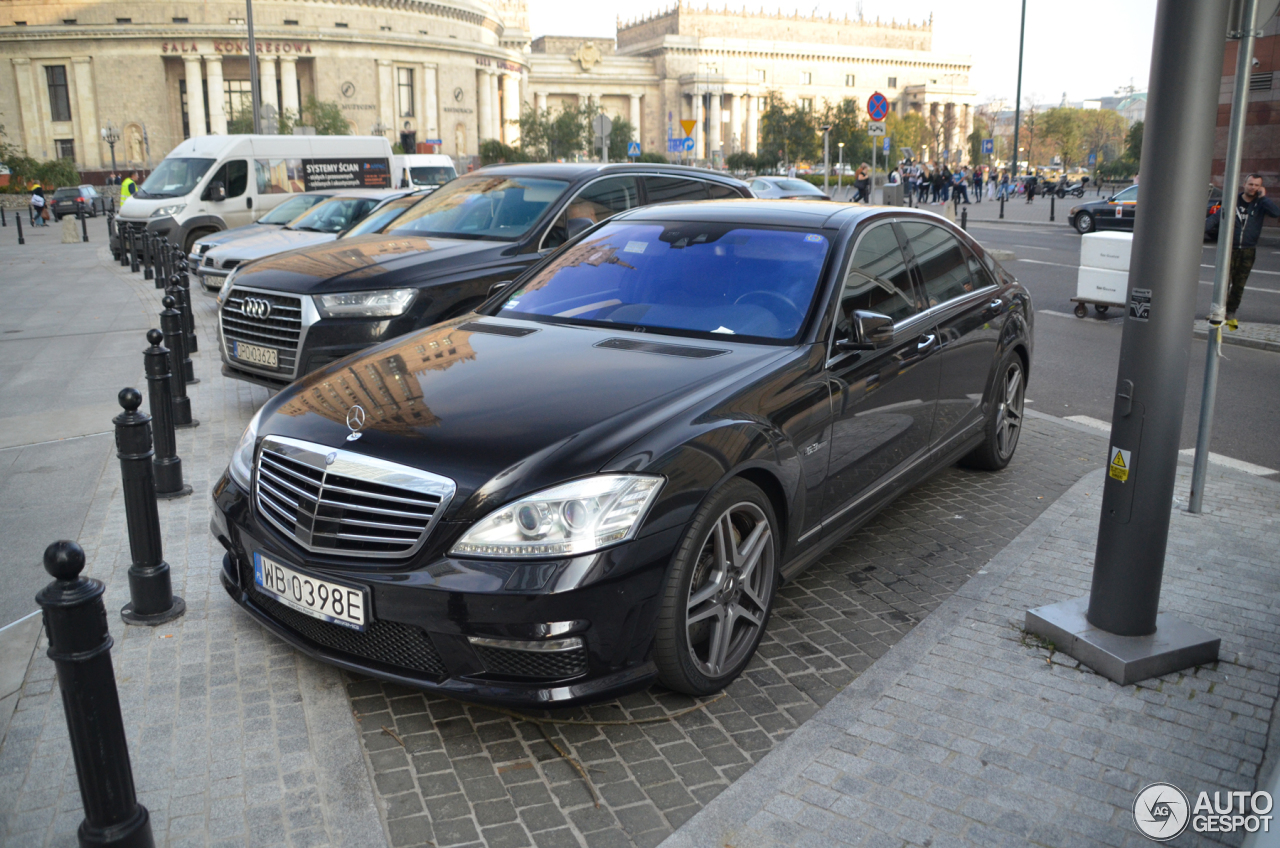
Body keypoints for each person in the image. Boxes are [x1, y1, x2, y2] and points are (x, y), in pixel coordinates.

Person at [1205, 173, 1280, 330]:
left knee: (1239, 285)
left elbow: (1276, 213)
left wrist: (1263, 198)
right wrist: (1200, 232)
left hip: (1248, 250)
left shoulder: (1261, 204)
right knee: (1223, 282)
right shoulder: (1233, 201)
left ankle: (1231, 312)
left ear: (1260, 188)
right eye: (1251, 184)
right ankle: (1217, 311)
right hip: (1229, 249)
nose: (1253, 187)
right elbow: (1215, 218)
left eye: (1256, 185)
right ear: (1244, 184)